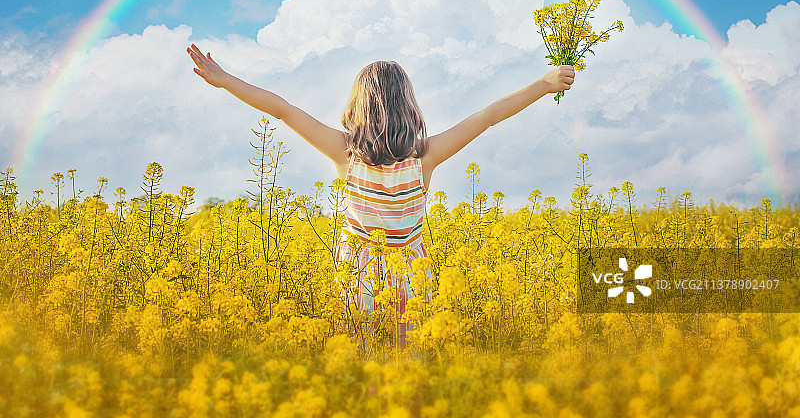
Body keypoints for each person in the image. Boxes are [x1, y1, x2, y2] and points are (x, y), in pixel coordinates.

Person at [186, 43, 575, 348]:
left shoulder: (344, 153)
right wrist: (543, 84)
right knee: (409, 364)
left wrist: (225, 79)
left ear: (358, 106)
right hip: (412, 277)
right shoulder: (426, 157)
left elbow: (283, 110)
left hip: (358, 278)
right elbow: (487, 116)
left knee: (362, 361)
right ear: (409, 107)